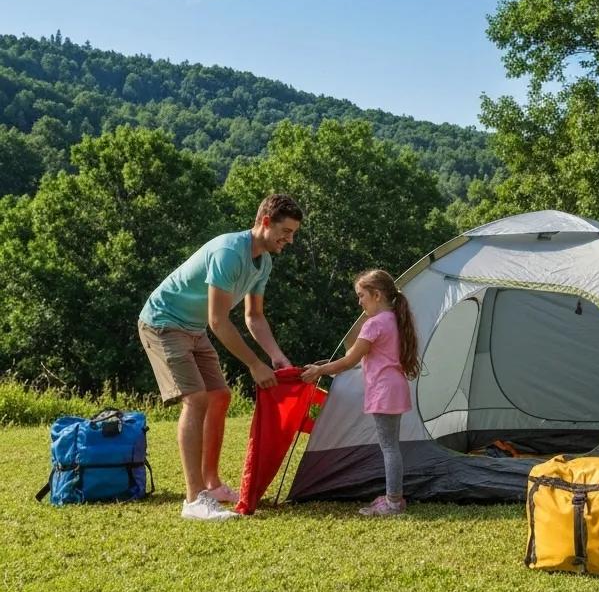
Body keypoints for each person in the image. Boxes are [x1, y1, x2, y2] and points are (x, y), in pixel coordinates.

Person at [138, 193, 303, 522]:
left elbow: (253, 316)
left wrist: (275, 356)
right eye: (285, 231)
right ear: (265, 222)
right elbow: (218, 320)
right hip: (163, 323)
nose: (290, 240)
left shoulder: (264, 262)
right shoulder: (230, 252)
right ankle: (193, 500)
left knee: (220, 396)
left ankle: (211, 485)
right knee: (197, 399)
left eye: (294, 233)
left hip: (194, 328)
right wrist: (254, 365)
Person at [302, 269, 420, 517]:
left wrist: (320, 370)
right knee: (392, 445)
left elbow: (349, 361)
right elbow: (356, 360)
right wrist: (328, 366)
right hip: (395, 387)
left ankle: (393, 502)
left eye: (361, 295)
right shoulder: (395, 320)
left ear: (376, 295)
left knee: (389, 447)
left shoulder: (374, 324)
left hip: (384, 391)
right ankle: (393, 497)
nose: (359, 301)